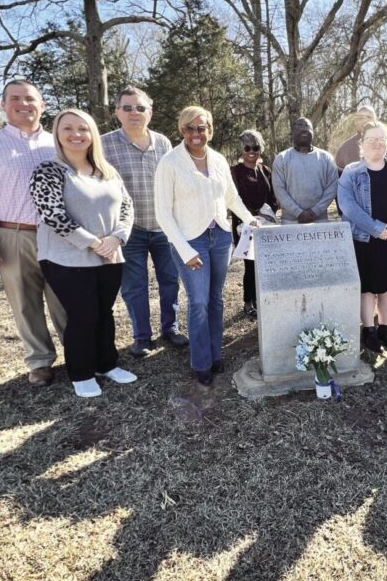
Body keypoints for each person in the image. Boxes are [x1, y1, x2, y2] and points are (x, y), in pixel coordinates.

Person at [0, 80, 68, 386]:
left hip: (59, 233)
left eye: (30, 98)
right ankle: (40, 360)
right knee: (24, 300)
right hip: (12, 233)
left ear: (42, 105)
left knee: (67, 297)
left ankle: (78, 351)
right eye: (15, 99)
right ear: (4, 105)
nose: (24, 104)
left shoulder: (60, 142)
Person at [29, 109, 137, 397]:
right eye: (68, 129)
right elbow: (52, 215)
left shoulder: (107, 171)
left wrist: (116, 238)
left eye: (83, 129)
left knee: (105, 312)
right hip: (68, 258)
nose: (76, 134)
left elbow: (127, 207)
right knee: (82, 314)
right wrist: (93, 242)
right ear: (57, 134)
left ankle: (106, 363)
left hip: (110, 255)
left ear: (93, 135)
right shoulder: (48, 170)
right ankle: (81, 372)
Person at [155, 106, 257, 385]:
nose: (196, 133)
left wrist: (251, 220)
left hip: (220, 237)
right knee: (198, 302)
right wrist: (185, 251)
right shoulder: (170, 162)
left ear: (210, 130)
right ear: (181, 131)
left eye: (201, 128)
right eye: (190, 128)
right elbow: (163, 213)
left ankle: (215, 354)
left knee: (216, 299)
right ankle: (201, 362)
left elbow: (231, 197)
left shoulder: (219, 160)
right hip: (190, 241)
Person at [100, 86, 187, 358]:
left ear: (150, 112)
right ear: (117, 112)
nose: (134, 113)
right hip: (128, 230)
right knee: (134, 286)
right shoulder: (104, 144)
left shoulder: (163, 143)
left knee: (170, 281)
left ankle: (169, 329)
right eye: (127, 107)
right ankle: (142, 337)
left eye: (140, 108)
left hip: (164, 226)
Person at [337, 121, 387, 354]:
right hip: (364, 240)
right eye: (371, 139)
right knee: (367, 289)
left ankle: (385, 329)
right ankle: (369, 331)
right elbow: (347, 206)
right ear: (362, 144)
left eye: (381, 139)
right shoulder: (351, 172)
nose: (377, 143)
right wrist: (376, 228)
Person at [229, 129, 278, 317]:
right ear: (241, 149)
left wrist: (269, 213)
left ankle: (261, 299)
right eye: (247, 147)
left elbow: (273, 197)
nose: (251, 151)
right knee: (251, 265)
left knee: (263, 263)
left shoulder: (265, 170)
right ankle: (248, 302)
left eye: (255, 147)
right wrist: (250, 218)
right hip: (245, 226)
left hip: (266, 224)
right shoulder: (235, 172)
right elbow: (233, 200)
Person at [272, 117, 339, 224]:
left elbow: (332, 187)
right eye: (299, 126)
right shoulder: (281, 159)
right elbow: (279, 189)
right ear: (292, 133)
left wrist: (314, 212)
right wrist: (298, 212)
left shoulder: (326, 158)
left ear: (313, 133)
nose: (304, 129)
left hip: (320, 221)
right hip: (290, 222)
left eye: (307, 126)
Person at [333, 105, 387, 170]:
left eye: (369, 117)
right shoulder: (346, 148)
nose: (364, 120)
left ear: (376, 120)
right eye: (360, 118)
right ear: (356, 122)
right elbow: (338, 179)